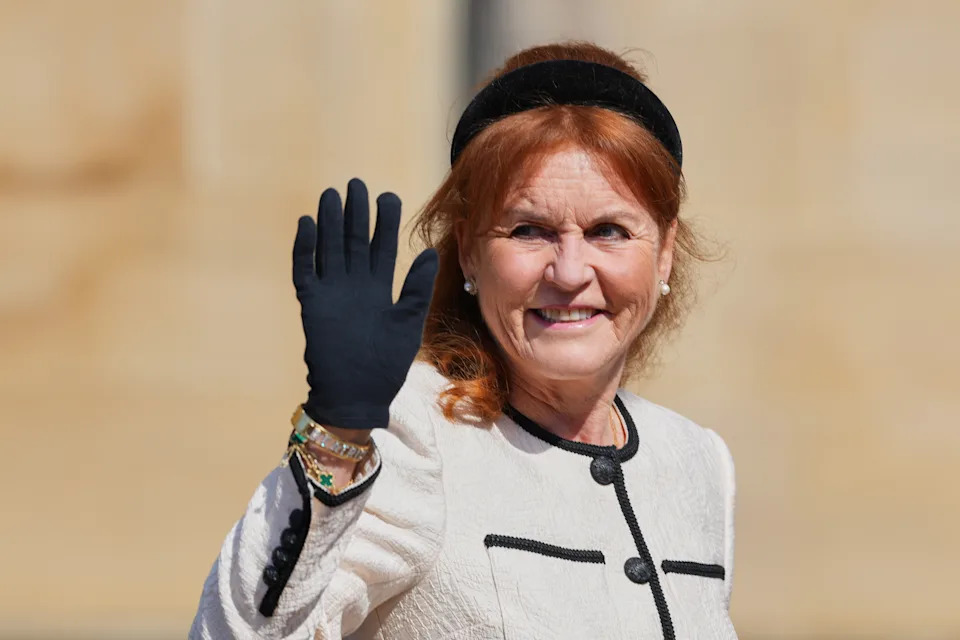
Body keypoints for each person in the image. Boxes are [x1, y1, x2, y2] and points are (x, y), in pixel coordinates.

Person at [190, 41, 737, 640]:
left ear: (664, 251)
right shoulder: (410, 433)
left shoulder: (698, 461)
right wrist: (336, 436)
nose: (569, 272)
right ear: (470, 251)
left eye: (609, 230)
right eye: (529, 230)